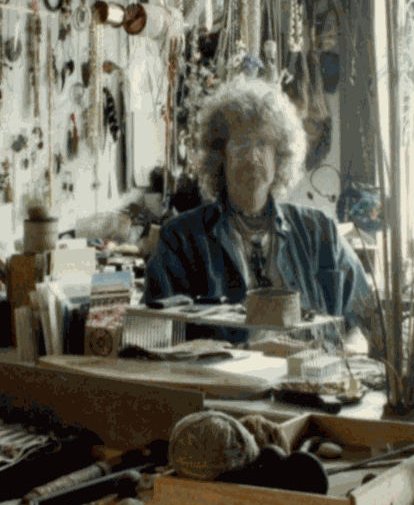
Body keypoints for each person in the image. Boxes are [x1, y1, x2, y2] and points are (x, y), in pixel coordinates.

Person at [146, 78, 378, 344]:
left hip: (310, 380)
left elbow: (365, 321)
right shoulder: (180, 240)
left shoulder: (320, 231)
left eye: (263, 144)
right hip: (224, 383)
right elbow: (156, 339)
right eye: (241, 144)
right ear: (220, 155)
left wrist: (349, 352)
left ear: (280, 155)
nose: (253, 157)